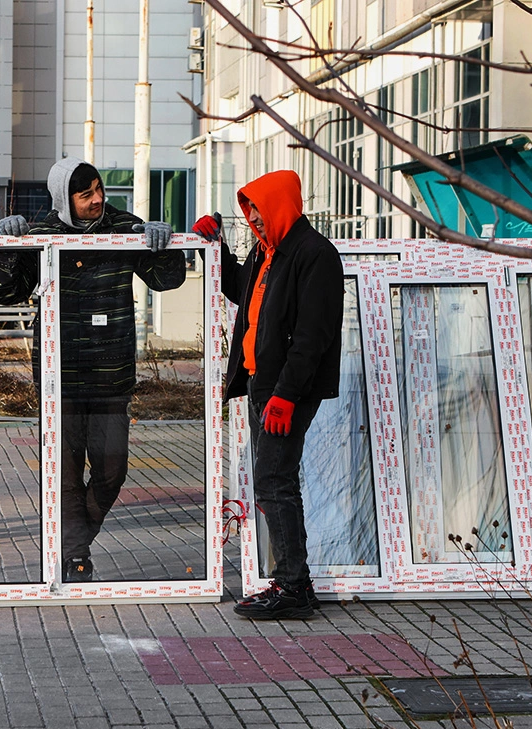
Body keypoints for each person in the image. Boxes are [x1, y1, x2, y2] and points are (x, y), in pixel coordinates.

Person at [0, 158, 185, 582]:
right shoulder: (42, 236)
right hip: (60, 379)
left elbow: (167, 280)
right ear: (64, 200)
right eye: (86, 195)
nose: (98, 199)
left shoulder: (124, 227)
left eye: (99, 189)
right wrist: (9, 245)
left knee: (113, 470)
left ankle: (70, 540)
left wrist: (163, 242)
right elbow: (4, 292)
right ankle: (76, 556)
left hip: (111, 377)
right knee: (65, 473)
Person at [193, 170, 343, 620]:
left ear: (280, 205)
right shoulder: (267, 251)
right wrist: (215, 247)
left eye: (259, 209)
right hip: (265, 384)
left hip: (285, 391)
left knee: (274, 480)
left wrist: (287, 396)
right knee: (274, 481)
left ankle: (293, 587)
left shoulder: (315, 255)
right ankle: (296, 583)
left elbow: (314, 336)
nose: (254, 219)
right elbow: (238, 290)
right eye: (249, 211)